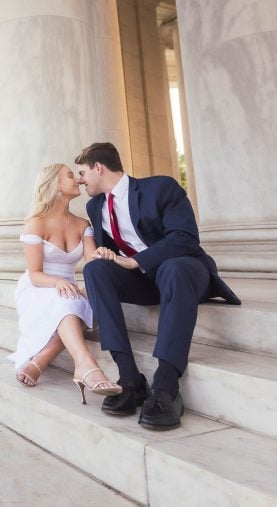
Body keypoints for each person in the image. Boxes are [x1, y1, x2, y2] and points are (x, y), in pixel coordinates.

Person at [74, 142, 240, 430]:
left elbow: (186, 239)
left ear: (98, 167)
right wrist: (108, 256)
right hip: (145, 283)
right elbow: (110, 253)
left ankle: (166, 384)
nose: (80, 180)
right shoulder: (95, 206)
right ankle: (129, 379)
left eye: (82, 172)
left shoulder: (160, 188)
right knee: (95, 269)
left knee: (175, 267)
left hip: (185, 273)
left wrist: (137, 260)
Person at [11, 163, 122, 404]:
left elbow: (92, 261)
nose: (78, 180)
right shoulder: (36, 223)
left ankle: (39, 362)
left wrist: (103, 254)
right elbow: (35, 274)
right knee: (67, 302)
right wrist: (58, 282)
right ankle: (86, 364)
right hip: (39, 286)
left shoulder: (83, 225)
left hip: (66, 288)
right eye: (71, 176)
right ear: (55, 185)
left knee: (80, 303)